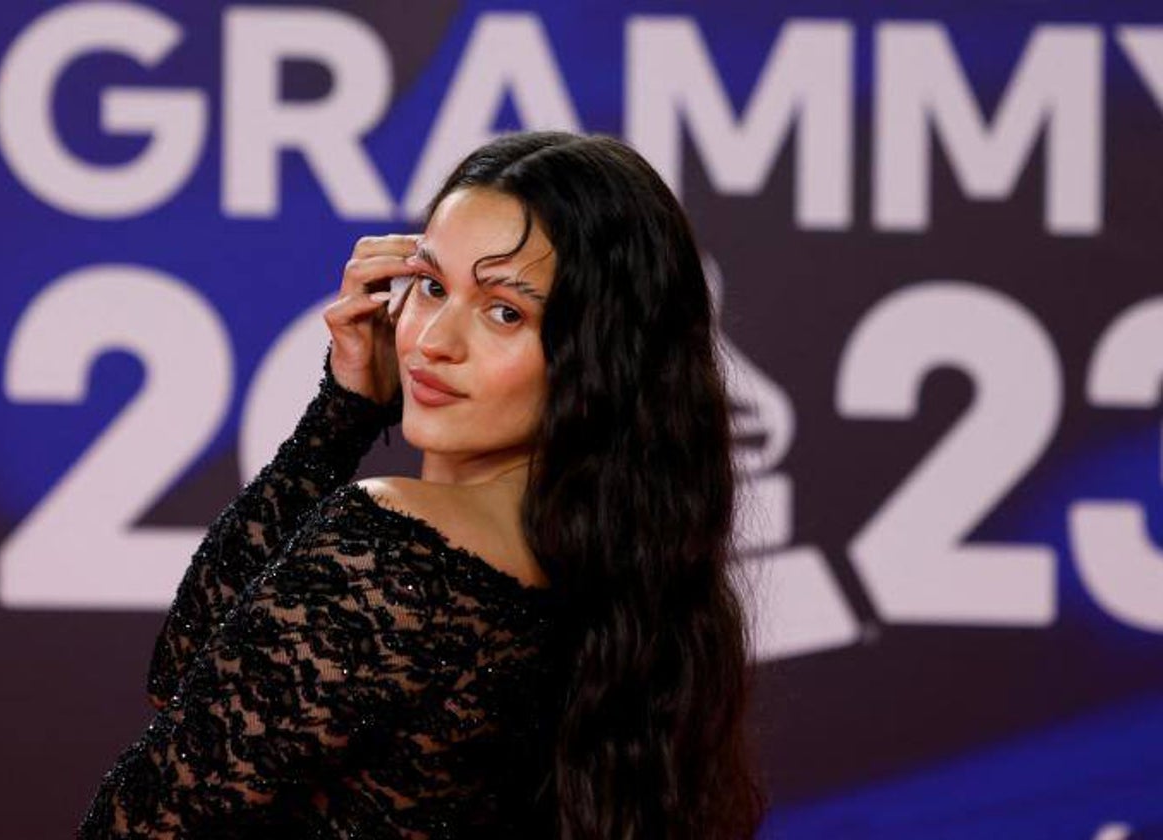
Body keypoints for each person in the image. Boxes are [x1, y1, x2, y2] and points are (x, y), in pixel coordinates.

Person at [77, 131, 769, 838]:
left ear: (598, 358)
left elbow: (136, 814)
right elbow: (193, 670)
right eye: (433, 286)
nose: (435, 339)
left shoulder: (391, 545)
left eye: (505, 311)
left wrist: (339, 420)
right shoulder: (625, 584)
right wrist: (343, 409)